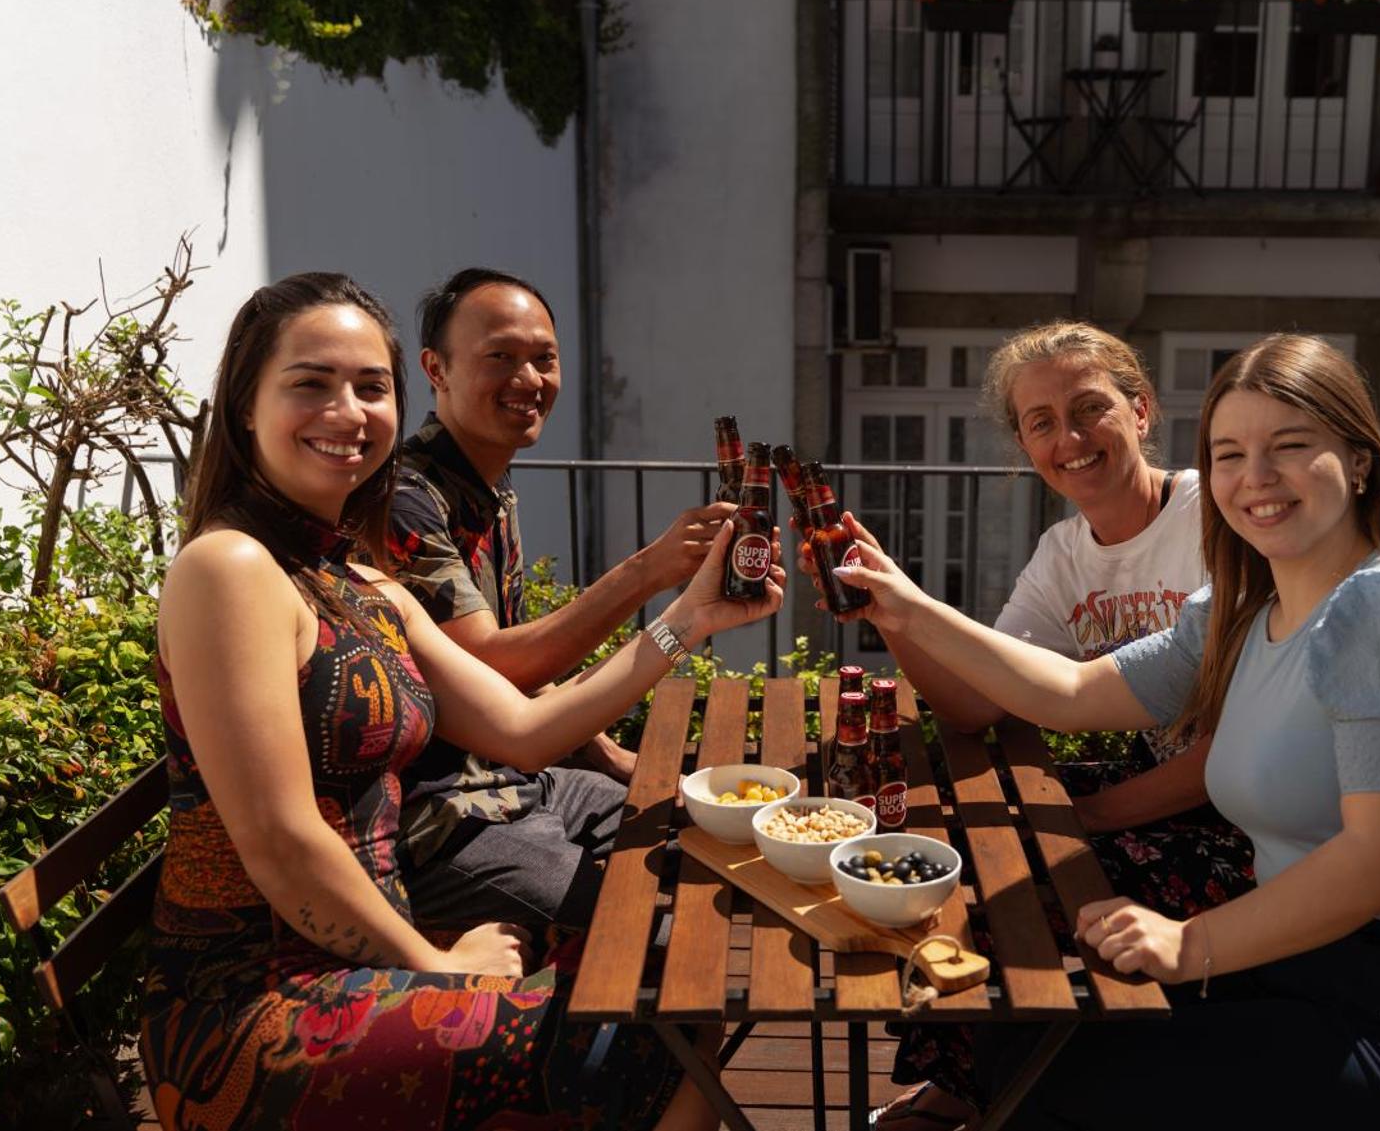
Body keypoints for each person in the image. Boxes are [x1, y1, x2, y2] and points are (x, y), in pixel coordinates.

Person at [822, 333, 1380, 1130]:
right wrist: (905, 605)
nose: (1255, 476)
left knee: (1048, 1081)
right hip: (1297, 968)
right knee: (1018, 1044)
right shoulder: (1240, 611)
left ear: (1359, 459)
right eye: (1230, 454)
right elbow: (1072, 691)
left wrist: (1189, 944)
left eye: (1288, 446)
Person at [140, 273, 778, 1130]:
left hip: (366, 958)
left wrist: (689, 618)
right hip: (251, 1010)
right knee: (648, 1037)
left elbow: (526, 728)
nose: (348, 412)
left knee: (674, 987)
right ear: (246, 407)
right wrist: (431, 963)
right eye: (311, 383)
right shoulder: (230, 568)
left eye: (371, 387)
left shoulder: (358, 582)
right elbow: (281, 840)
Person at [838, 322, 1253, 1129]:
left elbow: (1231, 755)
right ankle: (966, 1083)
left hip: (1243, 825)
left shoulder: (1216, 516)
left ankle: (991, 1091)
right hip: (1167, 789)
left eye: (1089, 407)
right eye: (1041, 422)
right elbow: (977, 702)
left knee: (1011, 884)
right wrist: (892, 611)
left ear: (1140, 410)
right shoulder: (1065, 553)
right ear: (1026, 445)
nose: (1069, 438)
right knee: (948, 850)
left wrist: (1082, 817)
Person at [384, 267, 731, 932]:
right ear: (436, 369)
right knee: (655, 929)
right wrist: (650, 570)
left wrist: (608, 754)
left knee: (712, 846)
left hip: (517, 783)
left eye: (544, 358)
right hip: (441, 819)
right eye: (499, 357)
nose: (529, 379)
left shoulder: (487, 487)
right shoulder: (405, 502)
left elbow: (517, 679)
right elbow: (496, 665)